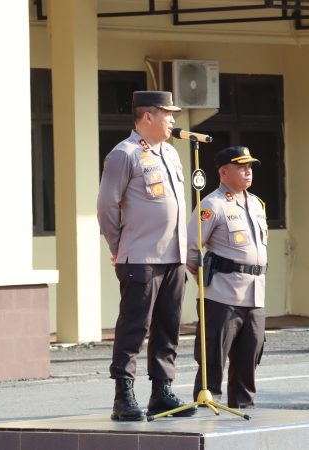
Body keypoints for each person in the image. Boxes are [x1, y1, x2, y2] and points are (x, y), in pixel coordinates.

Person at [97, 91, 194, 421]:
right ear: (148, 116)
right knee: (134, 327)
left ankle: (162, 392)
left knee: (168, 326)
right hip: (141, 256)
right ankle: (123, 395)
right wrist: (118, 246)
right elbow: (106, 206)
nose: (173, 119)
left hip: (173, 257)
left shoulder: (171, 153)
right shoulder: (124, 154)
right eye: (167, 113)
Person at [187, 146, 268, 409]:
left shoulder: (256, 204)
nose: (248, 171)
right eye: (241, 167)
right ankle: (207, 409)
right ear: (224, 172)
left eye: (250, 166)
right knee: (213, 357)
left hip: (254, 295)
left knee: (249, 358)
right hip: (223, 295)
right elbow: (190, 247)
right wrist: (202, 279)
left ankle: (243, 408)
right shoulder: (212, 205)